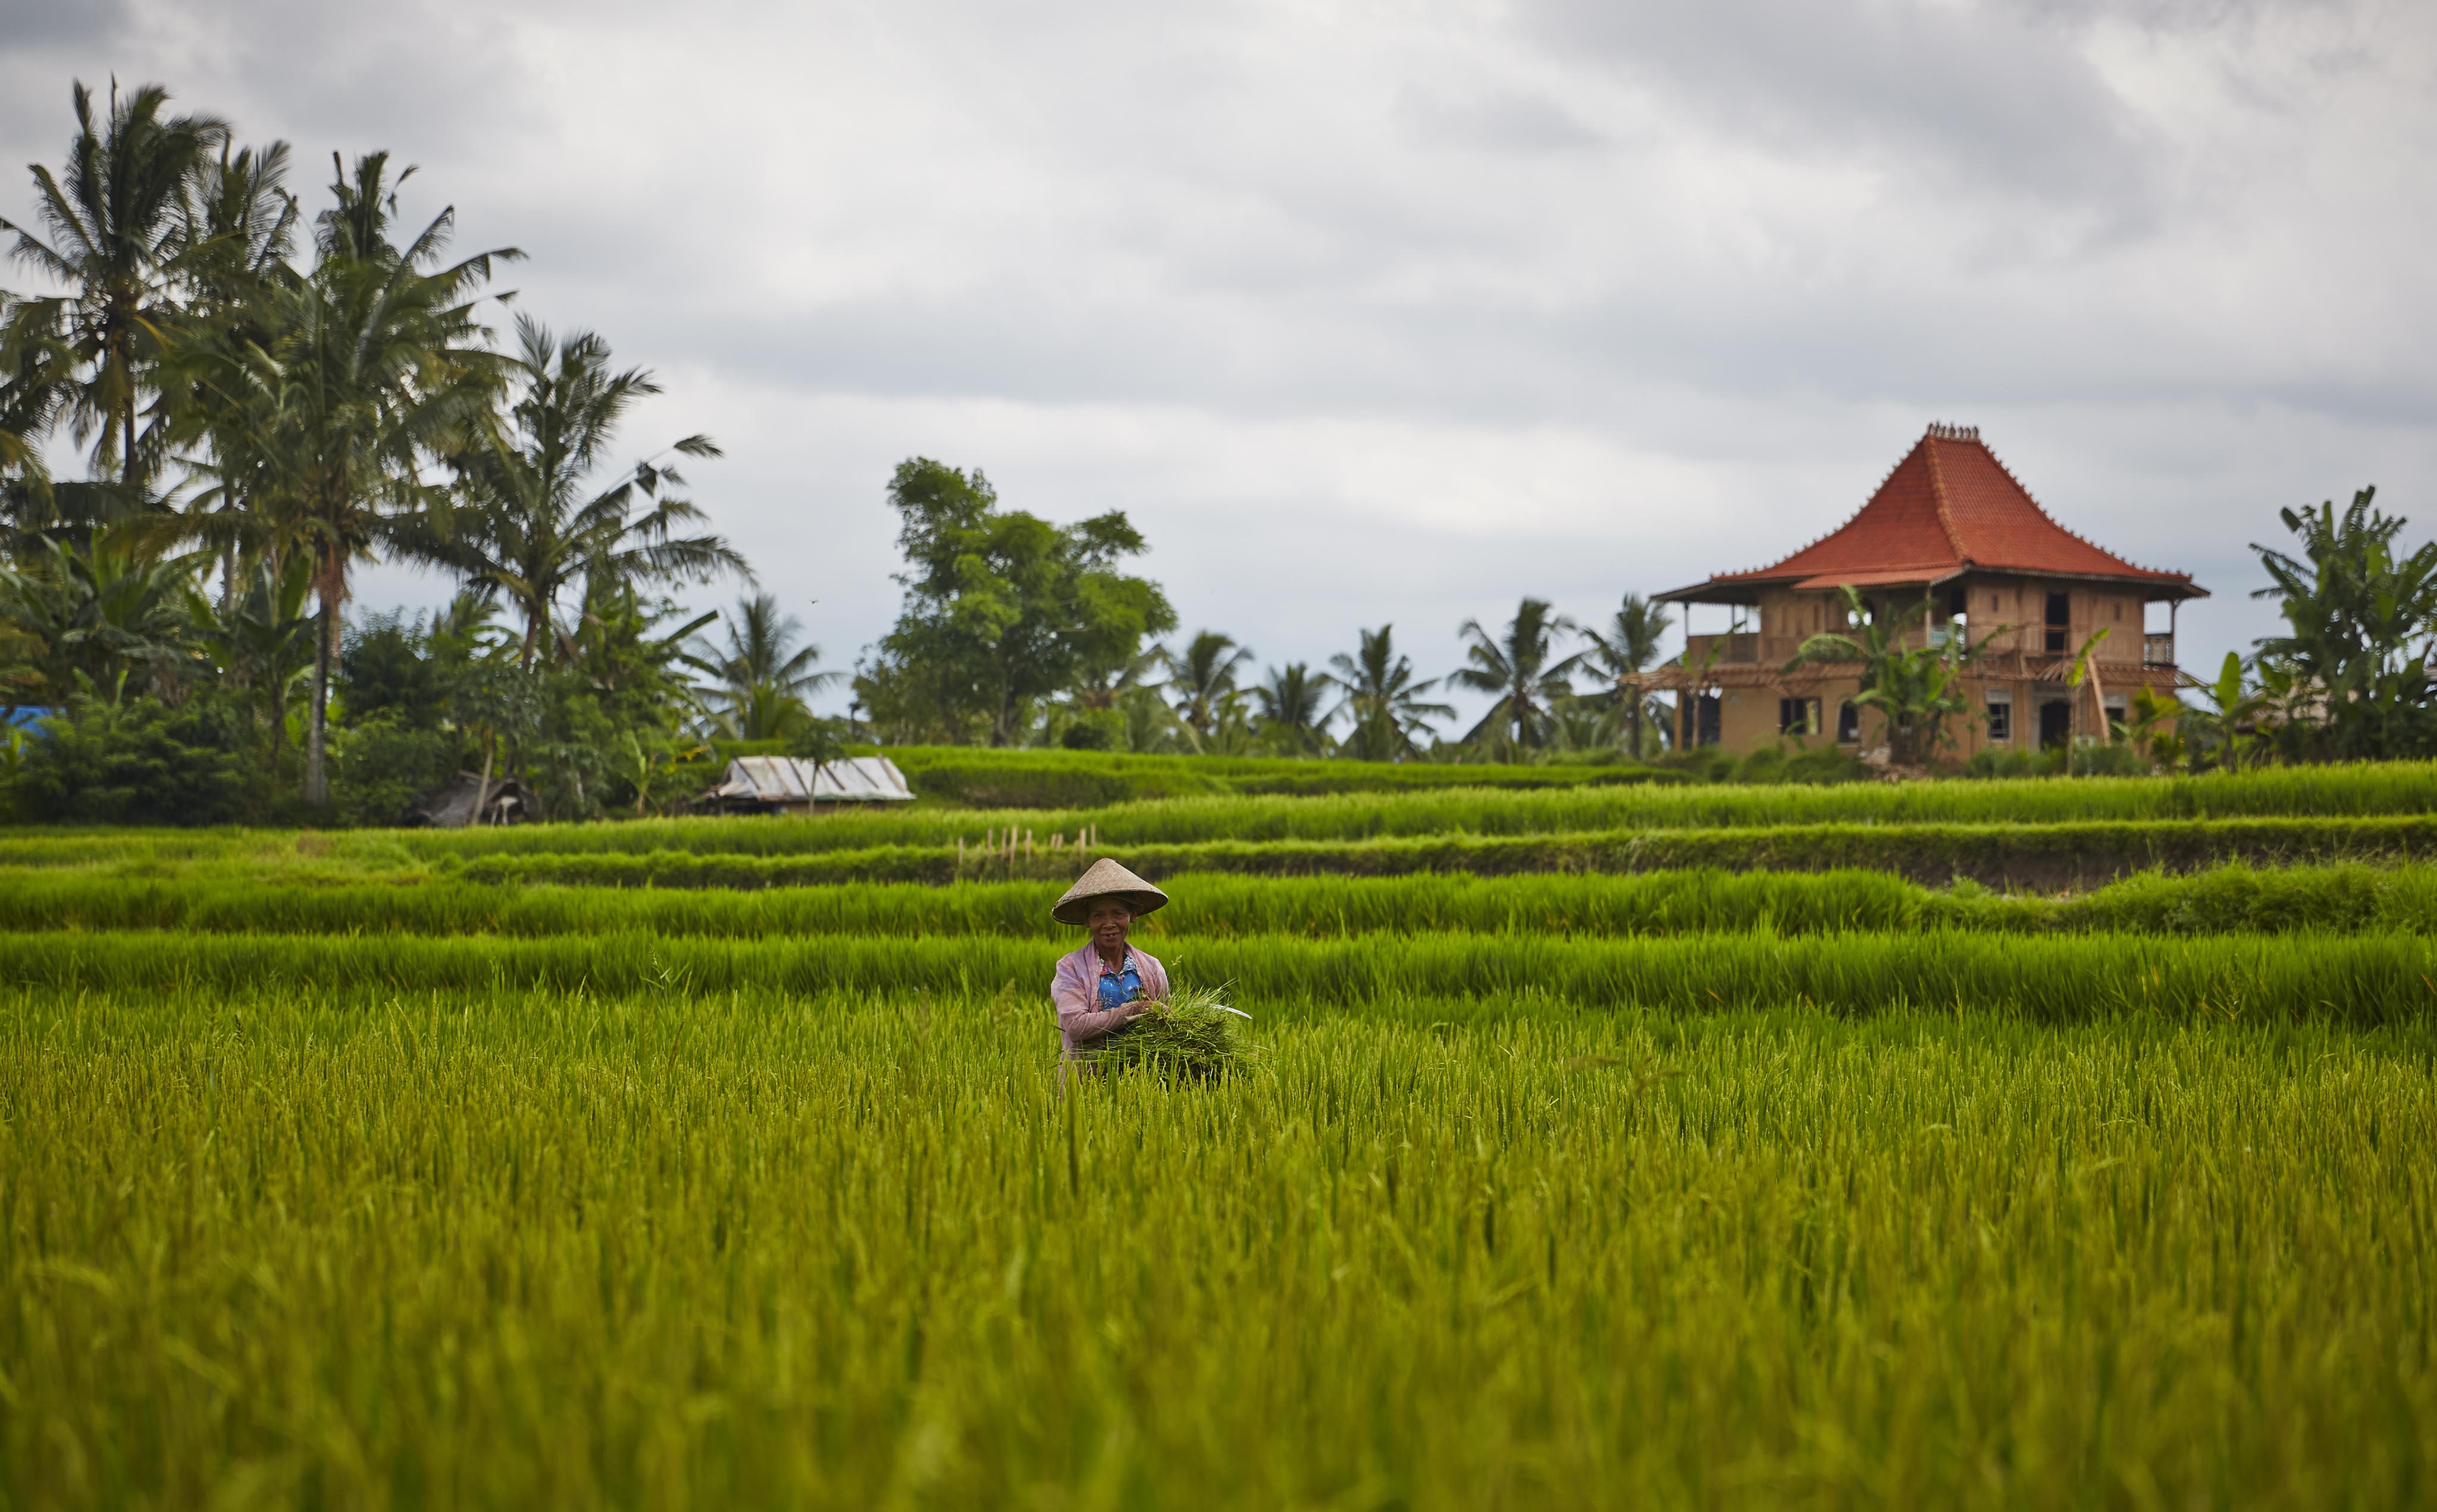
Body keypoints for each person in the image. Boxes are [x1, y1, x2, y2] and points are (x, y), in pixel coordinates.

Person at [1048, 858, 1171, 1059]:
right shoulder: (1070, 968)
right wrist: (1136, 1008)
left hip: (1141, 1079)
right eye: (1098, 916)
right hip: (1087, 1080)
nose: (1109, 924)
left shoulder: (1151, 967)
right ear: (1087, 921)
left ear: (1132, 915)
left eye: (1118, 914)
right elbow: (1076, 1027)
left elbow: (1164, 1022)